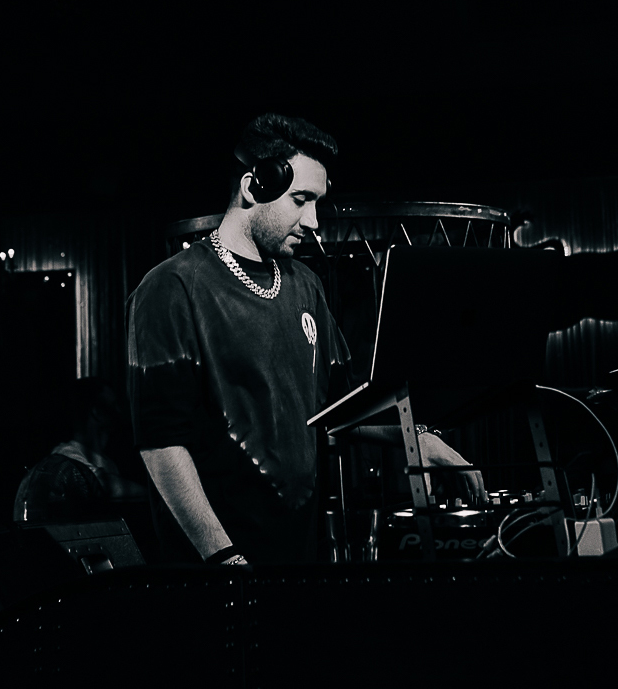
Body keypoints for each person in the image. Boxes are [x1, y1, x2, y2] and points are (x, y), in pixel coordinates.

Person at [127, 113, 482, 567]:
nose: (313, 220)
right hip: (218, 567)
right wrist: (222, 557)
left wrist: (419, 439)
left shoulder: (305, 285)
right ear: (253, 188)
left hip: (299, 556)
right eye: (300, 199)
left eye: (317, 201)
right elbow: (161, 443)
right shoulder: (171, 288)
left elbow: (337, 409)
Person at [13, 377, 146, 526]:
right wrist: (153, 493)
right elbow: (97, 484)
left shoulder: (108, 461)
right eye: (113, 405)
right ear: (96, 412)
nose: (119, 411)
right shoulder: (65, 455)